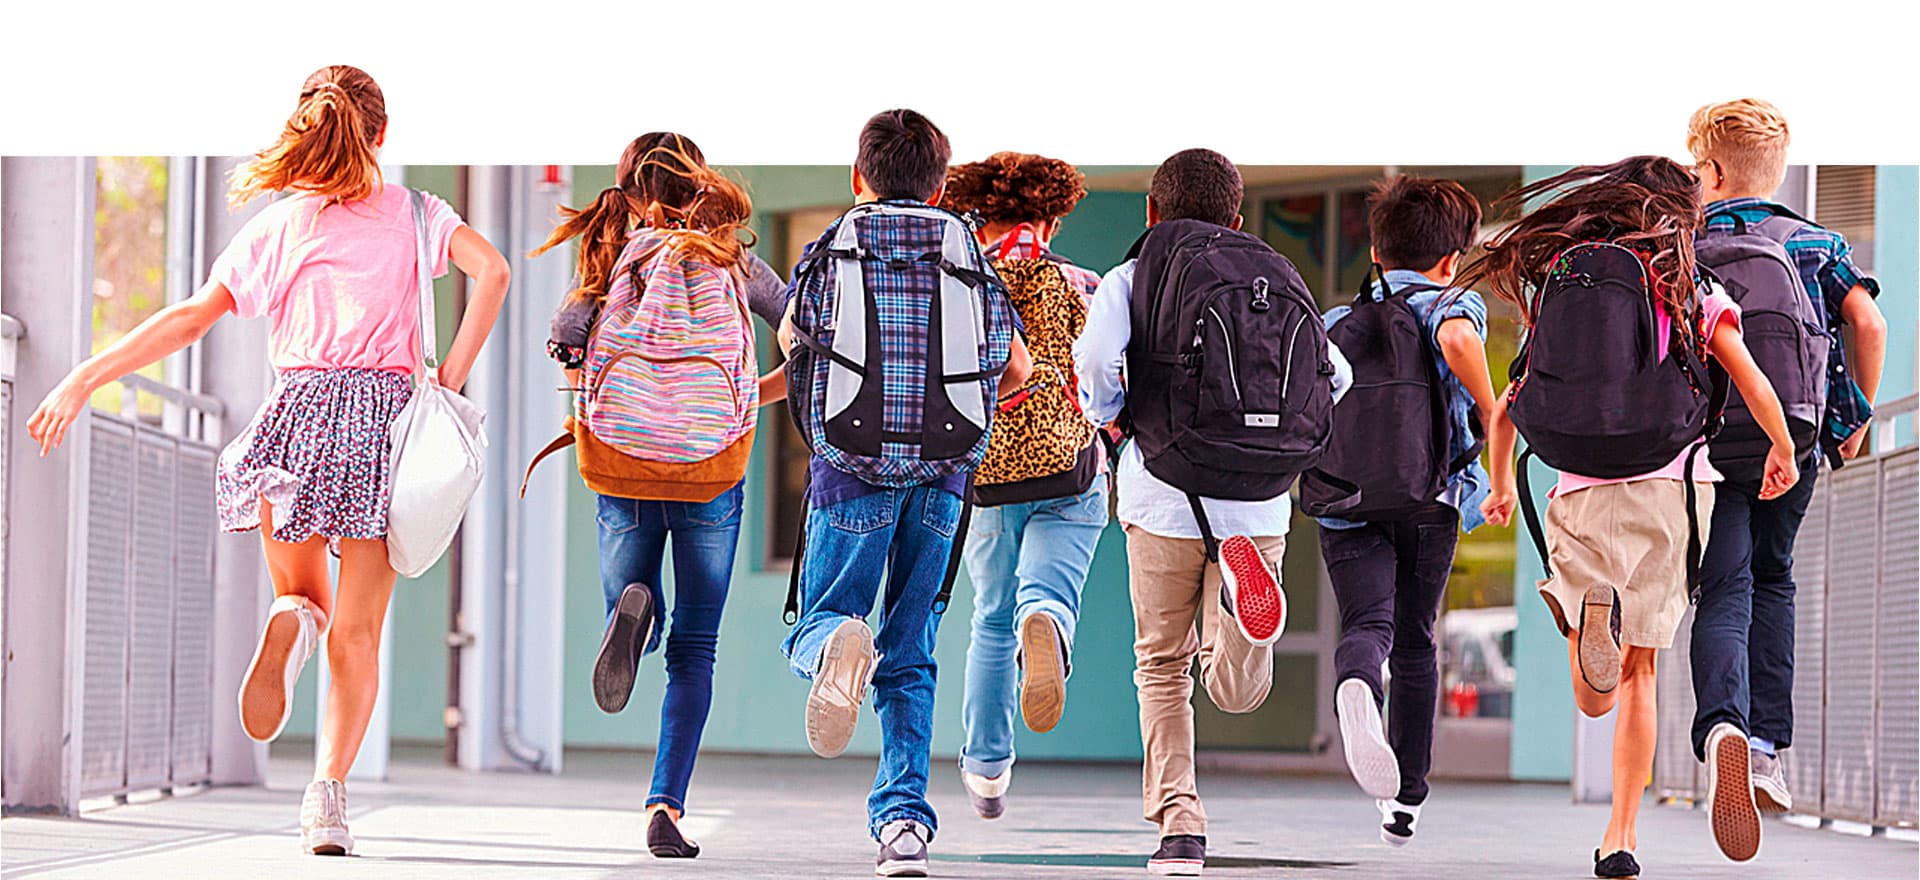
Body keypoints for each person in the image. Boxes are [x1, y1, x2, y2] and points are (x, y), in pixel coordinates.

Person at [26, 64, 509, 856]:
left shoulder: (282, 226)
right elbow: (493, 271)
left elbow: (190, 319)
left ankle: (291, 620)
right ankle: (328, 799)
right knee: (358, 635)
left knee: (303, 596)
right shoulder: (419, 213)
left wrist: (85, 375)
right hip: (383, 431)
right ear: (382, 134)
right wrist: (447, 379)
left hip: (295, 420)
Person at [1475, 157, 1799, 878]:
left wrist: (1500, 487)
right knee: (1640, 672)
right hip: (1670, 490)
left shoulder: (1565, 281)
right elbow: (1749, 376)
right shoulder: (1689, 286)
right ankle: (1622, 835)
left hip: (1579, 490)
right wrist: (1781, 447)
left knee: (1593, 694)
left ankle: (1595, 619)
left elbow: (1504, 409)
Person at [1074, 148, 1352, 876]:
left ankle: (1181, 826)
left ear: (1151, 212)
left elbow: (1095, 361)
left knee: (1162, 666)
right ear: (1238, 215)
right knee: (1236, 691)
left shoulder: (1134, 275)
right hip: (1258, 506)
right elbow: (1338, 376)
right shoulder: (1275, 272)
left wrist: (1109, 415)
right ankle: (1239, 614)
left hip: (1163, 495)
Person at [775, 109, 1031, 877]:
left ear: (860, 177)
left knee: (821, 619)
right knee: (912, 647)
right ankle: (903, 826)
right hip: (945, 474)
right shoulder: (966, 249)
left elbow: (793, 342)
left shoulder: (833, 245)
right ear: (941, 184)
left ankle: (834, 644)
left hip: (849, 467)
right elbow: (1013, 367)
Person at [532, 132, 775, 858]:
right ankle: (665, 803)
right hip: (711, 468)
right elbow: (804, 330)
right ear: (699, 183)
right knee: (695, 649)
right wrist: (747, 400)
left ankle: (633, 609)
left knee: (631, 600)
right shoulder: (731, 257)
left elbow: (567, 345)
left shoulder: (610, 256)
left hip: (625, 461)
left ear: (629, 193)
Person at [1684, 98, 1889, 835]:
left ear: (1711, 171)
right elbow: (1868, 322)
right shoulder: (1817, 243)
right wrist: (1853, 420)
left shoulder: (1682, 247)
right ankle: (1767, 751)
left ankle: (1723, 727)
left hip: (1706, 446)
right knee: (1773, 579)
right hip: (1792, 445)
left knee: (1722, 587)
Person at [1313, 176, 1498, 846]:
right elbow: (1458, 343)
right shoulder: (1453, 303)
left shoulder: (1333, 322)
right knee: (1417, 638)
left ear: (1374, 250)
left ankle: (1358, 683)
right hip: (1429, 497)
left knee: (1369, 624)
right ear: (1452, 258)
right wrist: (1493, 412)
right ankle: (1406, 800)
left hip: (1347, 498)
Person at [938, 152, 1108, 821]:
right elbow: (1108, 377)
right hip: (1070, 469)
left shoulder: (961, 285)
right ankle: (1050, 621)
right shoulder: (1083, 283)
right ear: (1053, 218)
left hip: (988, 479)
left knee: (990, 618)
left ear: (980, 216)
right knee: (1046, 593)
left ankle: (986, 769)